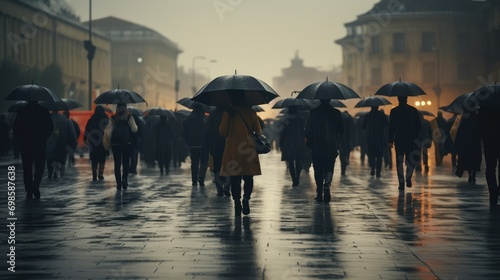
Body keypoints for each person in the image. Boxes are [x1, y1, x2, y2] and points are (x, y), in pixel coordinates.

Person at [219, 94, 263, 216]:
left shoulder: (229, 112)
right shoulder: (251, 112)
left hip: (233, 150)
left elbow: (222, 131)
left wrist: (227, 114)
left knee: (235, 178)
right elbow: (259, 132)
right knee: (249, 177)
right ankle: (246, 198)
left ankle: (237, 202)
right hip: (248, 149)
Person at [304, 99, 344, 203]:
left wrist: (308, 139)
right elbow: (341, 130)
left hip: (317, 146)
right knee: (329, 166)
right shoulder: (336, 113)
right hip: (331, 146)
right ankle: (327, 183)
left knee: (318, 169)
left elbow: (307, 130)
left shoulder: (313, 113)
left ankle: (319, 193)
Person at [12, 100, 53, 198]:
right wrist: (44, 137)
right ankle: (36, 184)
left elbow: (15, 128)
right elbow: (50, 127)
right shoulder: (44, 111)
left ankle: (29, 190)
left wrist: (20, 141)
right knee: (40, 166)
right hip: (39, 143)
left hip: (25, 144)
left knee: (27, 168)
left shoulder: (21, 111)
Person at [389, 96, 421, 190]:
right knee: (410, 160)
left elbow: (392, 127)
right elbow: (418, 126)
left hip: (399, 139)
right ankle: (408, 176)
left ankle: (401, 183)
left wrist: (390, 140)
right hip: (411, 139)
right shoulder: (413, 110)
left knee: (399, 161)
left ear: (398, 99)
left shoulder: (394, 112)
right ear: (407, 99)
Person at [104, 103, 138, 190]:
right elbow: (135, 129)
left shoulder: (113, 118)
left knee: (117, 164)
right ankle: (124, 179)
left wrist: (108, 142)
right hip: (126, 143)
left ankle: (118, 183)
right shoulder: (129, 117)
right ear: (125, 108)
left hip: (115, 144)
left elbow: (109, 131)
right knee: (126, 162)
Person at [279, 106, 308, 186]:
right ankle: (297, 178)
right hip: (299, 143)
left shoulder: (285, 121)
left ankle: (294, 179)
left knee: (291, 163)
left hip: (288, 144)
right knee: (298, 162)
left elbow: (282, 135)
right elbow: (304, 133)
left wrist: (281, 145)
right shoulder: (301, 121)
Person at [478, 104, 500, 205]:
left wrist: (485, 139)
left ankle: (493, 193)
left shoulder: (484, 108)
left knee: (490, 169)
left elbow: (479, 126)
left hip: (489, 143)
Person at [45, 110, 77, 179]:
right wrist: (73, 143)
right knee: (61, 159)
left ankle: (50, 173)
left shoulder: (47, 117)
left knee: (50, 159)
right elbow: (72, 133)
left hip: (49, 144)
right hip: (62, 143)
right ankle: (60, 173)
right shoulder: (65, 119)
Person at [183, 104, 209, 186]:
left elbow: (185, 132)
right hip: (203, 144)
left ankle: (194, 180)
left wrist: (187, 142)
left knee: (194, 162)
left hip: (193, 144)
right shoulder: (204, 119)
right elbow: (207, 131)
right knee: (204, 161)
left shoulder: (188, 119)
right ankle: (201, 176)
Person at [207, 106, 230, 196]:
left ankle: (219, 189)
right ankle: (227, 187)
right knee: (228, 167)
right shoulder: (229, 113)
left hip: (216, 145)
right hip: (228, 144)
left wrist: (209, 146)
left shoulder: (213, 115)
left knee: (217, 168)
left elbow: (208, 132)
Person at [454, 109, 481, 183]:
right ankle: (473, 175)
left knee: (468, 160)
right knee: (474, 160)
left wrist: (457, 146)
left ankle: (470, 174)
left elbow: (459, 136)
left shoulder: (463, 124)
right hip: (475, 145)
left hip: (465, 145)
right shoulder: (476, 123)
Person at [84, 106, 109, 181]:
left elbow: (87, 130)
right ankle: (100, 174)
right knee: (102, 158)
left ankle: (94, 174)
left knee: (94, 158)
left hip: (93, 142)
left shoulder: (91, 120)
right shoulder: (106, 120)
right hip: (103, 142)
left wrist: (85, 139)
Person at [363, 106, 388, 178]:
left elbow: (364, 126)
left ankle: (372, 168)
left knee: (371, 155)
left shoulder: (368, 115)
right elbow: (386, 124)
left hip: (370, 139)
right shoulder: (382, 115)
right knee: (379, 156)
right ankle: (378, 172)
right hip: (380, 138)